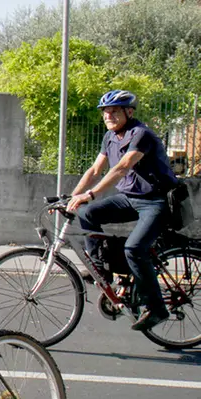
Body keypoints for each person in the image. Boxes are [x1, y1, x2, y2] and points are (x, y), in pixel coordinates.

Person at [66, 90, 177, 332]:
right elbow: (96, 170)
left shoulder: (142, 135)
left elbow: (122, 167)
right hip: (129, 198)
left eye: (114, 111)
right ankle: (101, 270)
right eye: (105, 112)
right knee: (88, 213)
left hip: (155, 202)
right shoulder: (110, 137)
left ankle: (157, 308)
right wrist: (73, 197)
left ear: (129, 111)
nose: (108, 115)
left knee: (135, 249)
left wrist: (91, 194)